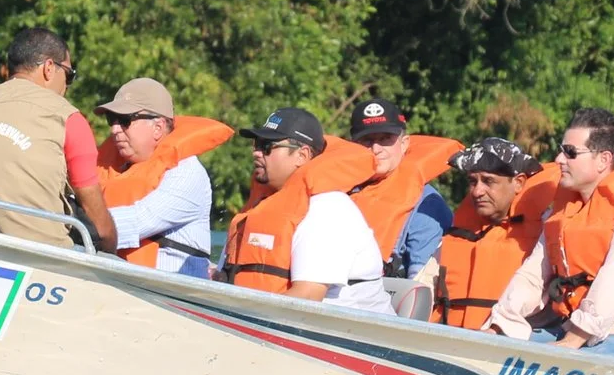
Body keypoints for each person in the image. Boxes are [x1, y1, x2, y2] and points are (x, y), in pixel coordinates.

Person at [482, 109, 614, 362]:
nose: (559, 159)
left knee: (559, 358)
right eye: (561, 150)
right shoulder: (564, 211)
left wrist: (571, 342)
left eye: (570, 152)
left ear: (603, 160)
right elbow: (532, 276)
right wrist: (499, 326)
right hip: (572, 329)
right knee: (500, 346)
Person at [0, 27, 117, 249]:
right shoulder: (66, 117)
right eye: (69, 75)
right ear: (49, 68)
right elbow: (99, 223)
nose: (67, 86)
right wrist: (111, 251)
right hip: (41, 257)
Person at [219, 108, 390, 312]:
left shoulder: (327, 209)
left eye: (267, 146)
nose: (256, 153)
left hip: (348, 330)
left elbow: (307, 297)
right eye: (256, 144)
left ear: (302, 155)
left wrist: (239, 312)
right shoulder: (262, 206)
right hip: (281, 322)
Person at [94, 78, 231, 277]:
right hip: (118, 282)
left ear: (158, 127)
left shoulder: (187, 172)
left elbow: (138, 221)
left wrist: (78, 224)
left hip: (165, 293)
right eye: (111, 120)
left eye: (124, 120)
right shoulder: (113, 170)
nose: (114, 129)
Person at [426, 136, 555, 328]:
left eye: (488, 181)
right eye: (473, 181)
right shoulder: (460, 232)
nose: (477, 192)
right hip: (448, 335)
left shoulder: (545, 231)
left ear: (518, 183)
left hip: (508, 339)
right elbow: (424, 285)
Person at [342, 99, 462, 280]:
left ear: (404, 143)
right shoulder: (337, 191)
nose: (376, 149)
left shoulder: (427, 204)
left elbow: (422, 285)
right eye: (367, 140)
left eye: (385, 139)